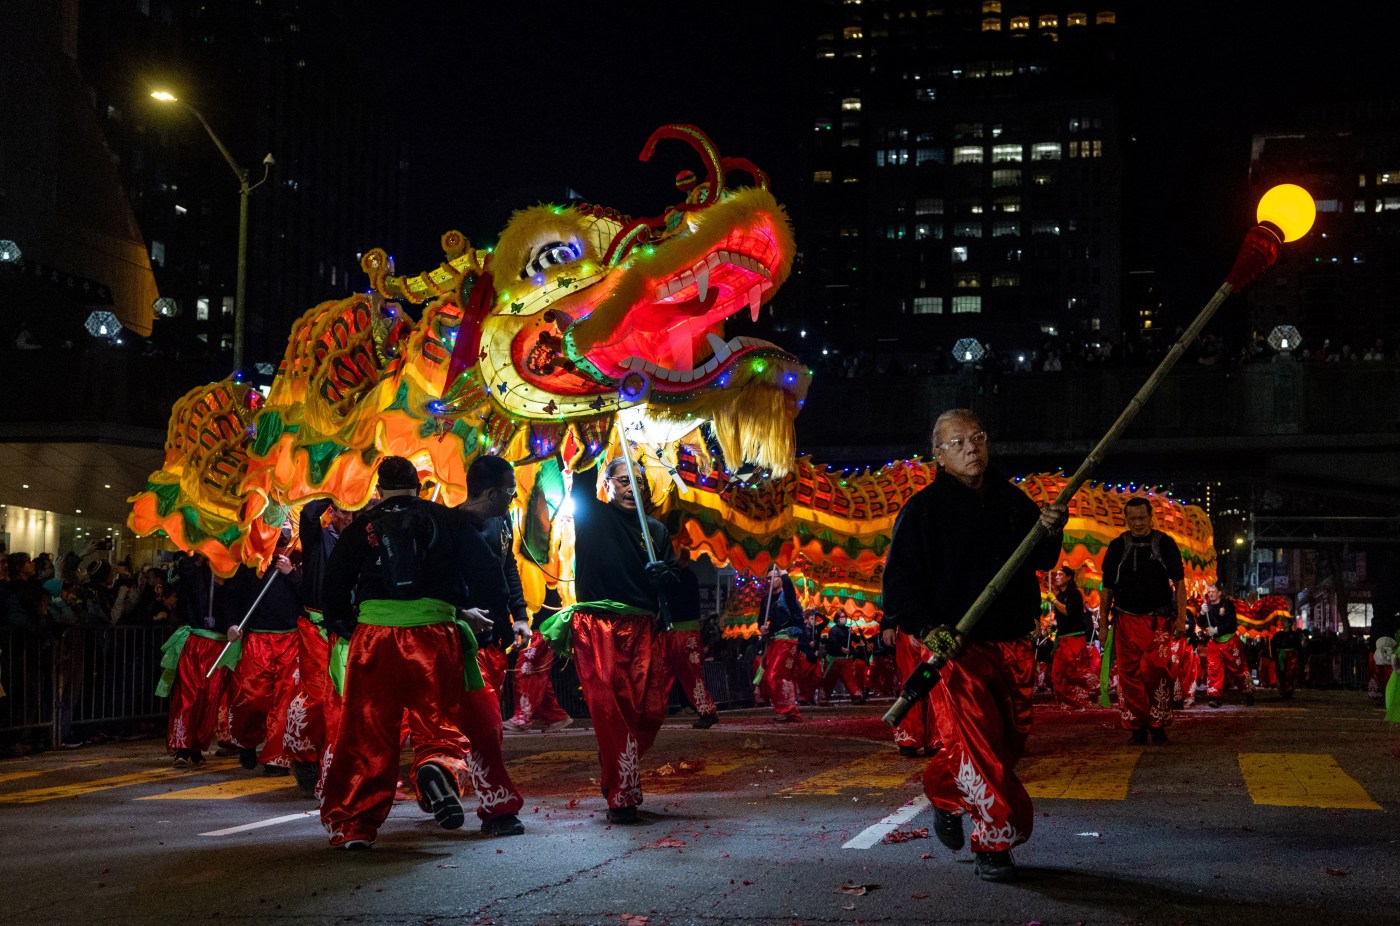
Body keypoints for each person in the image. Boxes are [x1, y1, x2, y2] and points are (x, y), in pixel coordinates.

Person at [881, 408, 1066, 883]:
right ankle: (994, 844)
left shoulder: (1013, 501)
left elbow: (1043, 558)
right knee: (980, 745)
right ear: (938, 455)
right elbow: (899, 585)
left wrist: (1052, 526)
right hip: (960, 649)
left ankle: (944, 789)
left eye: (977, 439)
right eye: (958, 443)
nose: (971, 449)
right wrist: (925, 628)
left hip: (1016, 643)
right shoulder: (921, 511)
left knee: (1006, 744)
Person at [319, 456, 524, 850]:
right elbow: (488, 577)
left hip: (374, 637)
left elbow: (333, 589)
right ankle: (437, 768)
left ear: (378, 491)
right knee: (445, 720)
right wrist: (497, 621)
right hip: (434, 635)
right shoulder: (447, 521)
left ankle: (356, 827)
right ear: (420, 487)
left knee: (369, 731)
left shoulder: (361, 527)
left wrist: (347, 625)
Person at [568, 456, 679, 824]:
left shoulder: (657, 532)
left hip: (643, 628)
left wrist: (665, 574)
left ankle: (614, 762)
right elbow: (581, 474)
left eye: (638, 483)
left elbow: (675, 583)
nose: (632, 488)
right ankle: (623, 795)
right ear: (607, 484)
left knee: (645, 713)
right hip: (597, 625)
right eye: (624, 481)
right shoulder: (591, 515)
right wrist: (593, 422)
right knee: (611, 709)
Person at [1099, 497, 1187, 745]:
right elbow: (1107, 589)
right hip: (1124, 621)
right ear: (1126, 519)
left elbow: (1180, 584)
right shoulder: (1117, 546)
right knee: (1128, 677)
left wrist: (1181, 618)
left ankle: (1157, 724)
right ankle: (1136, 726)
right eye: (1132, 518)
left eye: (1142, 518)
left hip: (1157, 621)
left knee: (1156, 672)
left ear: (1151, 518)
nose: (1137, 523)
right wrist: (1103, 625)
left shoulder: (1165, 544)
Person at [281, 498, 352, 794]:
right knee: (316, 696)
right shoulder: (317, 538)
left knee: (347, 698)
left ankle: (340, 764)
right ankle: (307, 758)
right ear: (332, 512)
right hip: (316, 627)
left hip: (350, 629)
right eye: (347, 510)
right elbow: (308, 514)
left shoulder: (364, 539)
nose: (352, 517)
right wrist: (333, 486)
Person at [222, 528, 303, 775]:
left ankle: (276, 758)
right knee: (251, 696)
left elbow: (311, 595)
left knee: (285, 702)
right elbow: (233, 597)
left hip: (289, 639)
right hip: (257, 638)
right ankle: (247, 740)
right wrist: (232, 624)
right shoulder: (250, 563)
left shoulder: (299, 561)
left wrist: (292, 574)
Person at [457, 454, 531, 694]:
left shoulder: (503, 519)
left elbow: (508, 566)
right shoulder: (451, 527)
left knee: (491, 720)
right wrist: (460, 613)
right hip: (465, 643)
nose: (514, 496)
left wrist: (520, 615)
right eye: (510, 489)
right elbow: (436, 584)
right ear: (491, 494)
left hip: (496, 637)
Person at [660, 552, 720, 728]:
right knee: (659, 675)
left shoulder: (685, 577)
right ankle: (649, 711)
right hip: (671, 633)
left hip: (685, 635)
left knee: (692, 676)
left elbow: (677, 603)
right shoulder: (674, 575)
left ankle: (707, 711)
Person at [758, 564, 805, 721]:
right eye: (769, 578)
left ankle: (789, 710)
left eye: (775, 577)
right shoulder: (766, 600)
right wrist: (762, 628)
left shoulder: (788, 596)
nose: (771, 581)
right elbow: (761, 621)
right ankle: (789, 711)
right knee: (774, 677)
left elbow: (789, 586)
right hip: (773, 641)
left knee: (774, 676)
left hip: (787, 640)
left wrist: (784, 570)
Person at [1199, 582, 1255, 707]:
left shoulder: (1227, 605)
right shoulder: (1207, 606)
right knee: (1213, 669)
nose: (1211, 593)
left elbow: (1232, 624)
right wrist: (1202, 613)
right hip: (1214, 643)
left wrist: (1217, 629)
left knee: (1239, 668)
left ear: (1219, 593)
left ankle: (1248, 692)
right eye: (1209, 591)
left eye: (1213, 591)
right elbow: (1202, 623)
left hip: (1230, 641)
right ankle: (1215, 697)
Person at [1048, 565, 1095, 709]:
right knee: (1057, 672)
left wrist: (1054, 601)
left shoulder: (1075, 594)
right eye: (1056, 575)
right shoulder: (1059, 596)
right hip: (1062, 638)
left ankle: (1078, 702)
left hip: (1074, 638)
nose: (1056, 577)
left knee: (1074, 671)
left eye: (1060, 574)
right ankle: (1066, 701)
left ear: (1068, 577)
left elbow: (1069, 612)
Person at [820, 612, 862, 704]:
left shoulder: (849, 630)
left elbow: (857, 640)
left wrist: (853, 634)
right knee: (830, 679)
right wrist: (841, 648)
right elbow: (832, 642)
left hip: (847, 659)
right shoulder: (833, 630)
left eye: (844, 617)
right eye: (841, 617)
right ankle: (824, 697)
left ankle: (856, 695)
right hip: (835, 659)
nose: (843, 618)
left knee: (850, 678)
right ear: (837, 618)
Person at [1270, 617, 1304, 699]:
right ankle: (1282, 690)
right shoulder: (1278, 635)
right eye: (1283, 621)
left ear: (1289, 624)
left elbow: (1298, 646)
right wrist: (1274, 655)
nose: (1283, 623)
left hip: (1291, 655)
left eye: (1285, 621)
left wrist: (1299, 656)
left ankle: (1289, 690)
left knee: (1290, 673)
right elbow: (1273, 644)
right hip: (1281, 655)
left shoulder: (1294, 635)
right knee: (1281, 672)